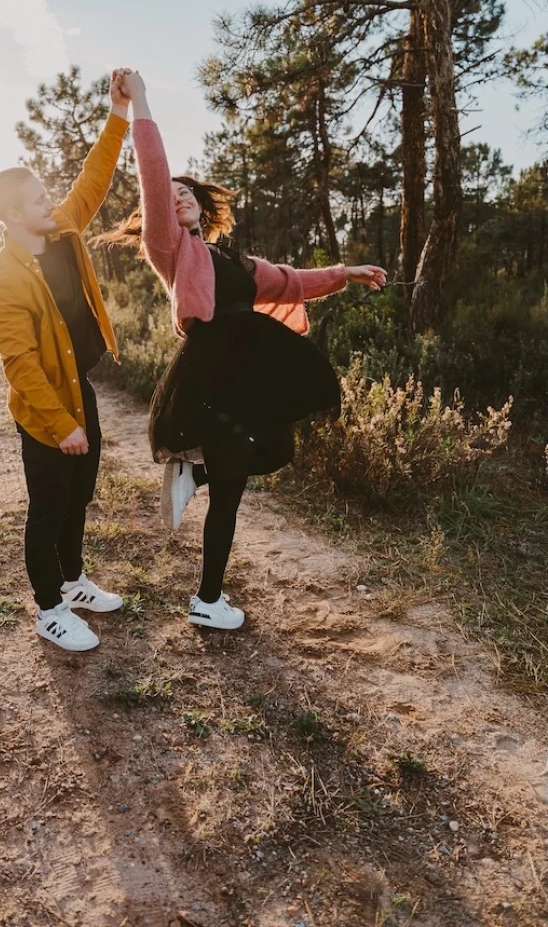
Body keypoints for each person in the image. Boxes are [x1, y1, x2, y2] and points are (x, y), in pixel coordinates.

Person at [103, 70, 387, 631]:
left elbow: (287, 280)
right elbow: (154, 175)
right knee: (232, 490)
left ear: (202, 208)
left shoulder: (229, 259)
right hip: (212, 371)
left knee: (277, 447)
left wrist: (345, 273)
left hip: (246, 372)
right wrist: (143, 103)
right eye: (171, 196)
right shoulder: (170, 250)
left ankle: (196, 476)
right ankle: (208, 600)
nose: (177, 198)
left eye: (187, 195)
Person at [0, 69, 134, 652]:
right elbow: (20, 367)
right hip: (44, 405)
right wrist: (60, 422)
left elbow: (93, 180)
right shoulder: (4, 282)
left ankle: (73, 584)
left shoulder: (61, 229)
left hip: (79, 389)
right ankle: (48, 610)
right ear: (15, 216)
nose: (53, 200)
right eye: (41, 197)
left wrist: (117, 113)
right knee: (48, 508)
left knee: (80, 496)